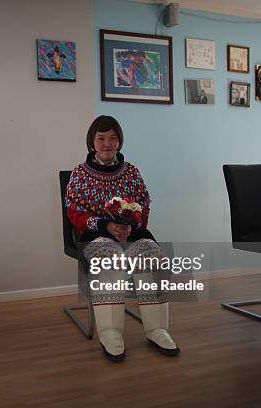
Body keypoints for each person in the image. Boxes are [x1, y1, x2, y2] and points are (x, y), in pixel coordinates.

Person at [65, 115, 179, 362]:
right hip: (95, 233)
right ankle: (110, 332)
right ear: (92, 142)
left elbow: (144, 205)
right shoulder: (79, 174)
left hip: (132, 232)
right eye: (101, 138)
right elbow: (74, 213)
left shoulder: (132, 172)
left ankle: (157, 329)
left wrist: (131, 225)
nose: (107, 144)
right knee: (110, 263)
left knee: (151, 258)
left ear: (120, 142)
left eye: (112, 138)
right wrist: (106, 226)